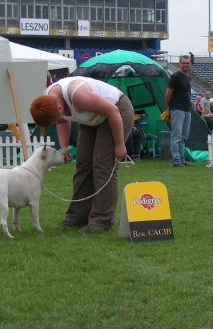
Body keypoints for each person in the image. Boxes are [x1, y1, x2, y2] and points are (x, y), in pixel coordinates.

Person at [29, 76, 134, 233]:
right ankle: (76, 217)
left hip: (116, 112)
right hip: (90, 119)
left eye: (55, 121)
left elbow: (113, 112)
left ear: (59, 109)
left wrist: (119, 145)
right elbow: (62, 121)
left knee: (102, 165)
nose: (56, 123)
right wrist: (64, 147)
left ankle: (101, 221)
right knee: (83, 164)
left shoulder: (78, 95)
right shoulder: (49, 99)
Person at [165, 55, 192, 167]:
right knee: (176, 136)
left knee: (184, 136)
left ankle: (181, 159)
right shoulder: (175, 77)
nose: (185, 65)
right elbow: (168, 94)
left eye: (187, 63)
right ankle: (175, 160)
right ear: (179, 64)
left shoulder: (188, 77)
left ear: (190, 64)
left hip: (187, 110)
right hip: (177, 109)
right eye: (183, 63)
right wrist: (169, 107)